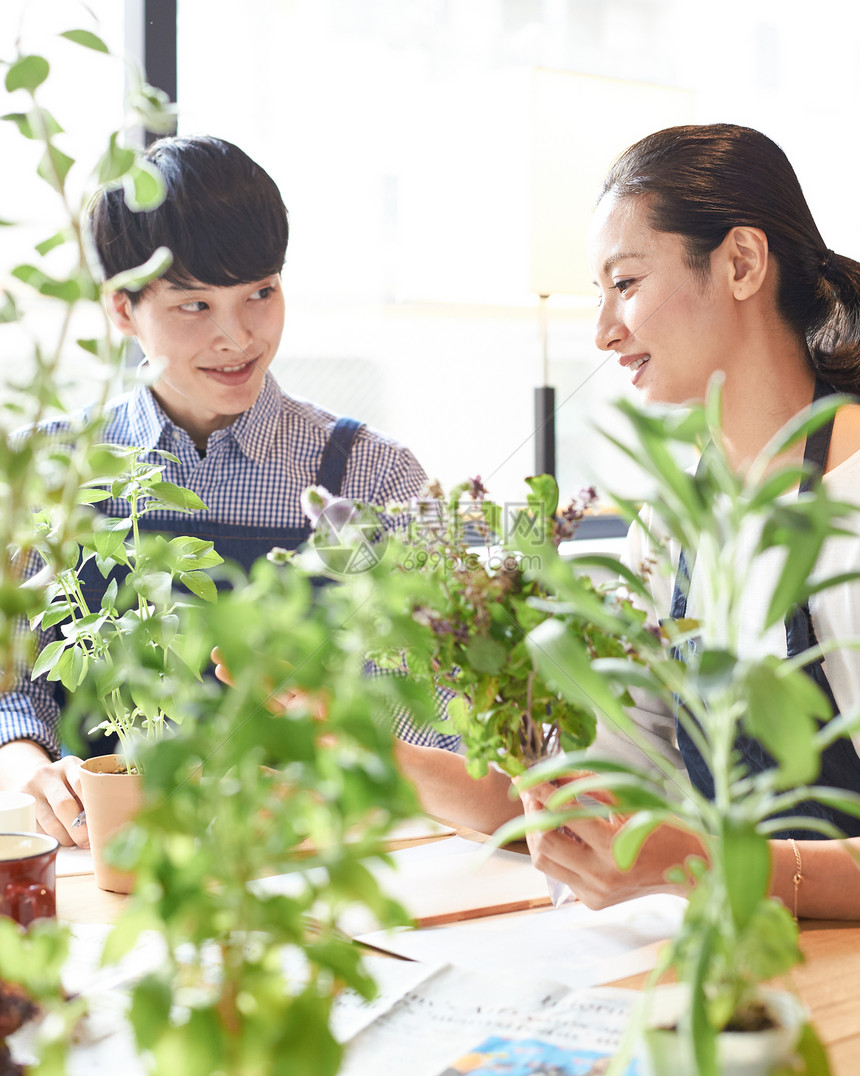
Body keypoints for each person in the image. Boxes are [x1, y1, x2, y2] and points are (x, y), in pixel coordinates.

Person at [396, 123, 860, 920]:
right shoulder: (668, 531)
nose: (604, 331)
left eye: (627, 283)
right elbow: (603, 794)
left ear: (741, 263)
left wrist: (706, 865)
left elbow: (688, 857)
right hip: (746, 969)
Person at [0, 135, 458, 848]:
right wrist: (24, 760)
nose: (238, 337)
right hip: (104, 862)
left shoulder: (372, 478)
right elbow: (13, 683)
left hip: (309, 861)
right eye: (195, 307)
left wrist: (340, 733)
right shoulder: (51, 473)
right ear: (123, 310)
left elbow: (437, 714)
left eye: (261, 294)